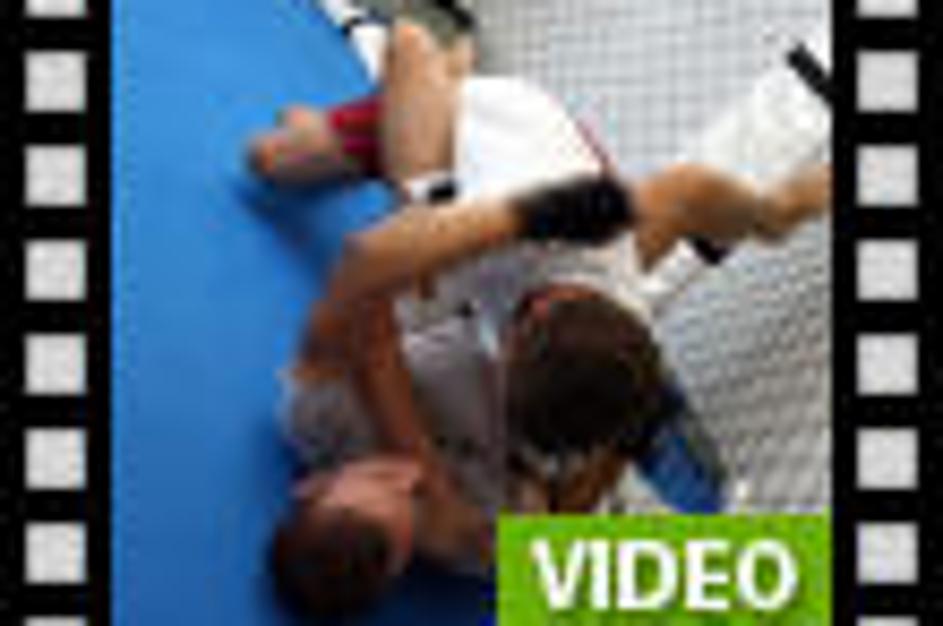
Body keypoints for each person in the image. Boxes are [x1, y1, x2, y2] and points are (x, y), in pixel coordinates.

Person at [252, 4, 833, 618]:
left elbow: (366, 285)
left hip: (472, 186)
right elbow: (771, 580)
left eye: (374, 477)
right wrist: (547, 515)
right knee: (290, 158)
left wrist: (435, 489)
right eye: (411, 508)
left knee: (298, 146)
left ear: (313, 482)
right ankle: (418, 84)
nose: (407, 478)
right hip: (535, 219)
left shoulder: (319, 421)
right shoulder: (492, 537)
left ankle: (441, 68)